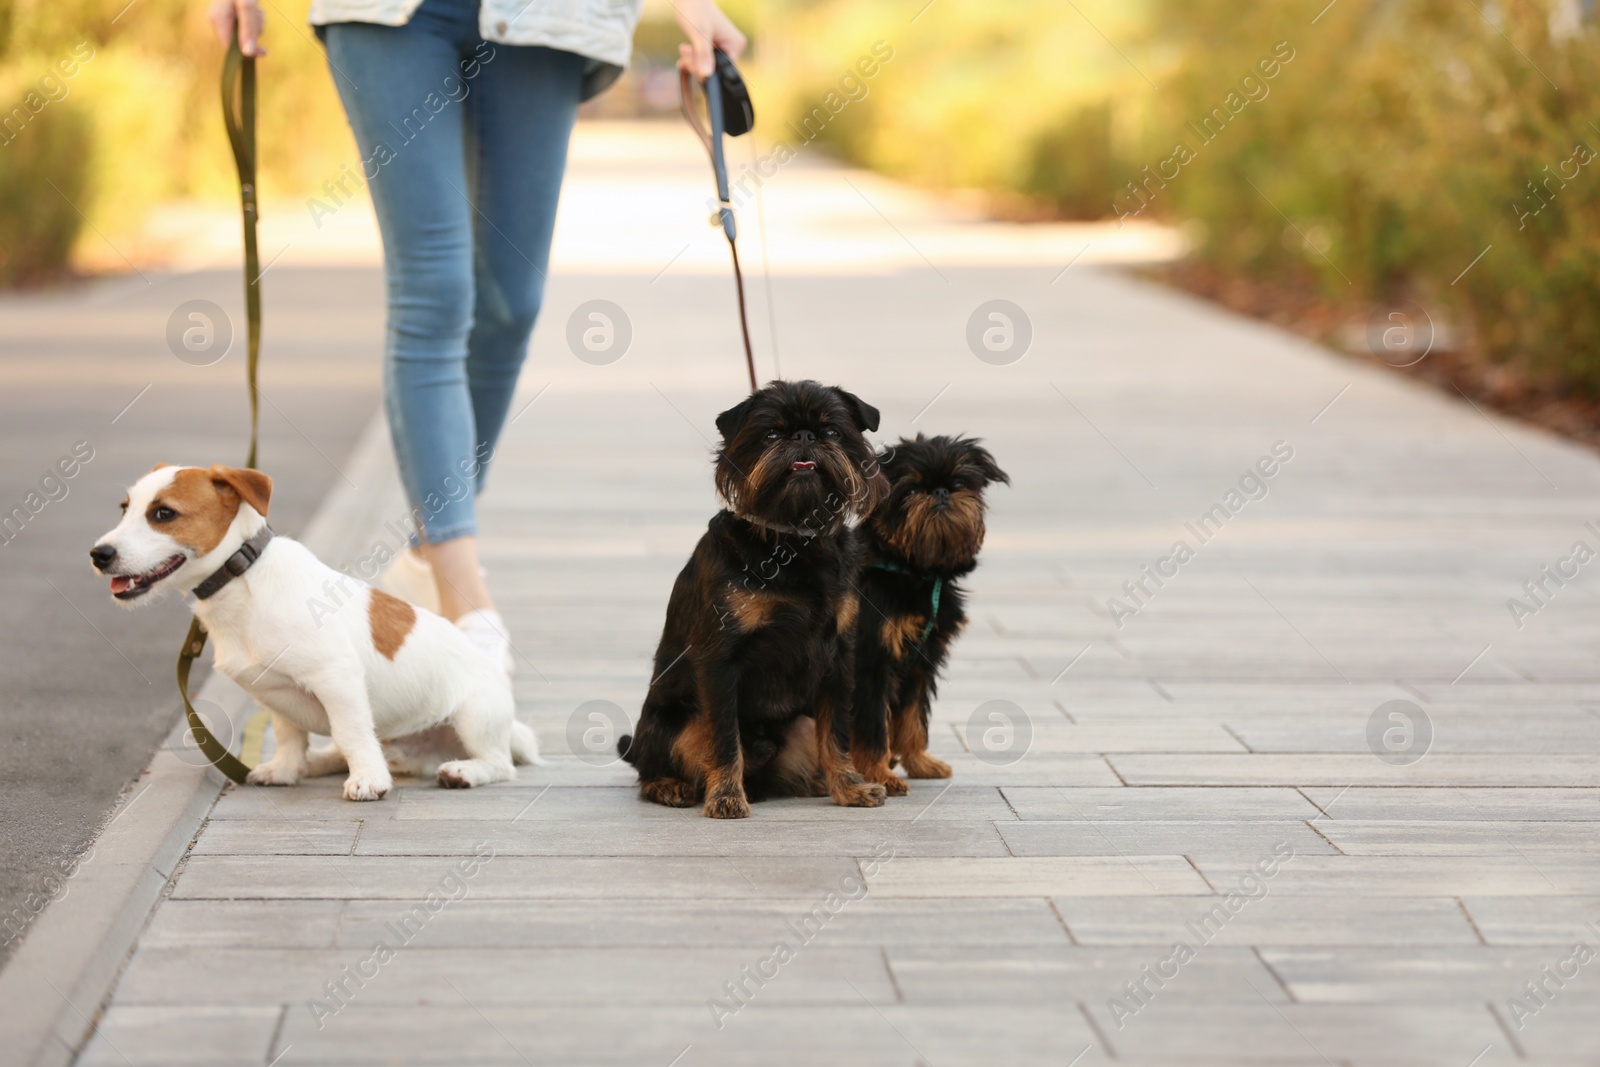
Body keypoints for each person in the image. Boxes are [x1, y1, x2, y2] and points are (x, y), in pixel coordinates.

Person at [207, 0, 746, 671]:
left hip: (548, 17)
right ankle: (469, 603)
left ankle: (424, 558)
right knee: (434, 288)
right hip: (390, 17)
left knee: (509, 303)